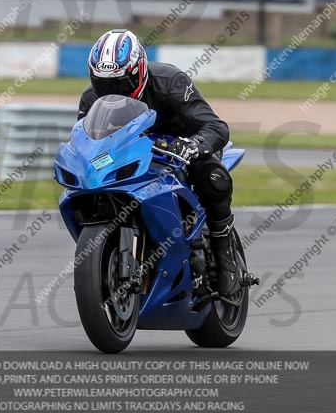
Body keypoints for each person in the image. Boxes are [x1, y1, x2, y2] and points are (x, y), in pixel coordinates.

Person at [76, 28, 240, 297]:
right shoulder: (90, 99)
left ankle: (225, 255)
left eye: (120, 83)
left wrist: (193, 145)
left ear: (140, 71)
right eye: (103, 83)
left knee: (211, 176)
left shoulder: (170, 81)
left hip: (181, 149)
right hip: (133, 156)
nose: (112, 91)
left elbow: (215, 126)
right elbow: (87, 141)